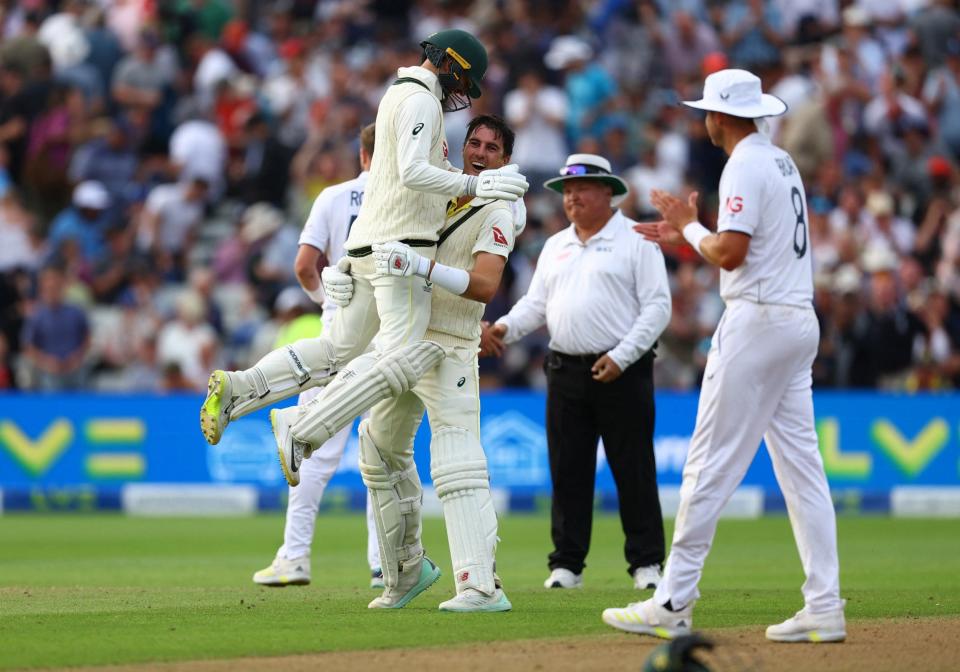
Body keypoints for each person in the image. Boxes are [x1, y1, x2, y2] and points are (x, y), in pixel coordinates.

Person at [602, 69, 845, 643]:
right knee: (803, 472)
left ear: (720, 116)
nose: (703, 120)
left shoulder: (744, 164)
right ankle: (825, 604)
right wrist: (688, 233)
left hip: (758, 321)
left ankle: (673, 602)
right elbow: (740, 245)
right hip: (794, 320)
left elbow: (730, 254)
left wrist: (688, 228)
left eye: (706, 111)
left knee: (708, 464)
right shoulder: (781, 161)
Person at [199, 29, 528, 454]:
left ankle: (239, 387)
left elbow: (390, 182)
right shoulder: (422, 101)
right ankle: (301, 424)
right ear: (449, 63)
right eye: (463, 82)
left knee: (337, 350)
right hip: (402, 250)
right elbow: (412, 174)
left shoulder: (398, 94)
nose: (462, 93)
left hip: (372, 243)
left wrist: (345, 259)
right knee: (400, 359)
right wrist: (478, 185)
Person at [274, 114, 524, 611]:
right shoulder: (436, 195)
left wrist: (422, 267)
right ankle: (406, 572)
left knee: (457, 462)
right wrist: (344, 275)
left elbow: (485, 286)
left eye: (492, 148)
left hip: (452, 344)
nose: (480, 151)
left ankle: (480, 587)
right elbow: (381, 239)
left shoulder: (501, 210)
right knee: (378, 452)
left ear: (505, 160)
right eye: (473, 141)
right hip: (407, 336)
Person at [483, 153, 671, 591]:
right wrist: (504, 330)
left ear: (608, 192)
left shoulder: (637, 239)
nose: (572, 199)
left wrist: (623, 356)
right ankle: (567, 564)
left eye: (581, 189)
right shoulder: (556, 245)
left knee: (634, 468)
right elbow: (537, 305)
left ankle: (646, 563)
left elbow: (658, 307)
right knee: (568, 469)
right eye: (567, 192)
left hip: (622, 370)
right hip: (565, 368)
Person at [252, 124, 381, 590]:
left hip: (340, 335)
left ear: (361, 154)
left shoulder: (333, 196)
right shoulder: (409, 199)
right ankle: (384, 563)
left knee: (312, 452)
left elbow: (305, 265)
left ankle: (295, 557)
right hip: (391, 337)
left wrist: (325, 299)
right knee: (383, 453)